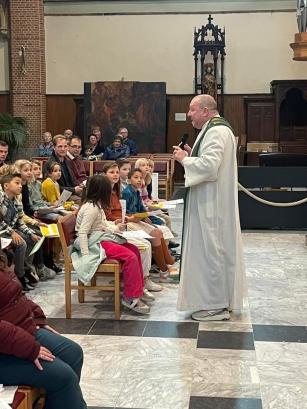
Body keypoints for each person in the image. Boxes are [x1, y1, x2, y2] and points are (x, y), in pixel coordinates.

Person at [173, 94, 245, 321]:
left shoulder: (216, 130)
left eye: (192, 110)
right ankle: (218, 300)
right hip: (210, 202)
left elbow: (209, 166)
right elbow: (208, 159)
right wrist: (192, 152)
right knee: (212, 250)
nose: (189, 114)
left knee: (211, 251)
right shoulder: (216, 129)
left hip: (211, 206)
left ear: (205, 110)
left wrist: (185, 159)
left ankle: (216, 305)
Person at [0, 252, 87, 409]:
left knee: (73, 353)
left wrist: (37, 318)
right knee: (63, 377)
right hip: (7, 346)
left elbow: (15, 295)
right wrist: (30, 348)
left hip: (17, 334)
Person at [76, 174, 150, 314]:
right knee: (130, 256)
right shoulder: (91, 209)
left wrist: (116, 228)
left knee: (134, 249)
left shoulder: (96, 205)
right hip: (95, 243)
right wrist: (85, 255)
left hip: (100, 237)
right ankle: (130, 296)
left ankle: (137, 288)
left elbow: (102, 225)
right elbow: (82, 233)